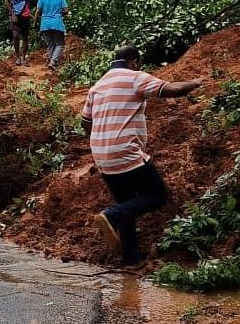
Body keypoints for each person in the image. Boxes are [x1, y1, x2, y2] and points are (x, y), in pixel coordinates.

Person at [80, 45, 202, 267]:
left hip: (101, 154)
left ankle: (130, 259)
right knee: (157, 195)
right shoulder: (134, 77)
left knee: (127, 202)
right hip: (125, 151)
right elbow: (171, 89)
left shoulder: (97, 86)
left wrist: (103, 138)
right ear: (134, 61)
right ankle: (111, 215)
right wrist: (195, 84)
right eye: (139, 63)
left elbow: (85, 122)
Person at [33, 0, 69, 70]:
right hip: (57, 23)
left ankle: (52, 63)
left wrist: (35, 23)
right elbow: (66, 11)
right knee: (59, 44)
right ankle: (53, 62)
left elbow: (38, 12)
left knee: (50, 44)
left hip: (45, 24)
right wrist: (60, 13)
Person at [4, 0, 34, 66]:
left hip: (25, 15)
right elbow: (6, 1)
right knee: (15, 36)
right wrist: (12, 14)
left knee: (25, 37)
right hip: (14, 14)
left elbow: (28, 1)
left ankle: (24, 58)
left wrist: (28, 11)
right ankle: (18, 57)